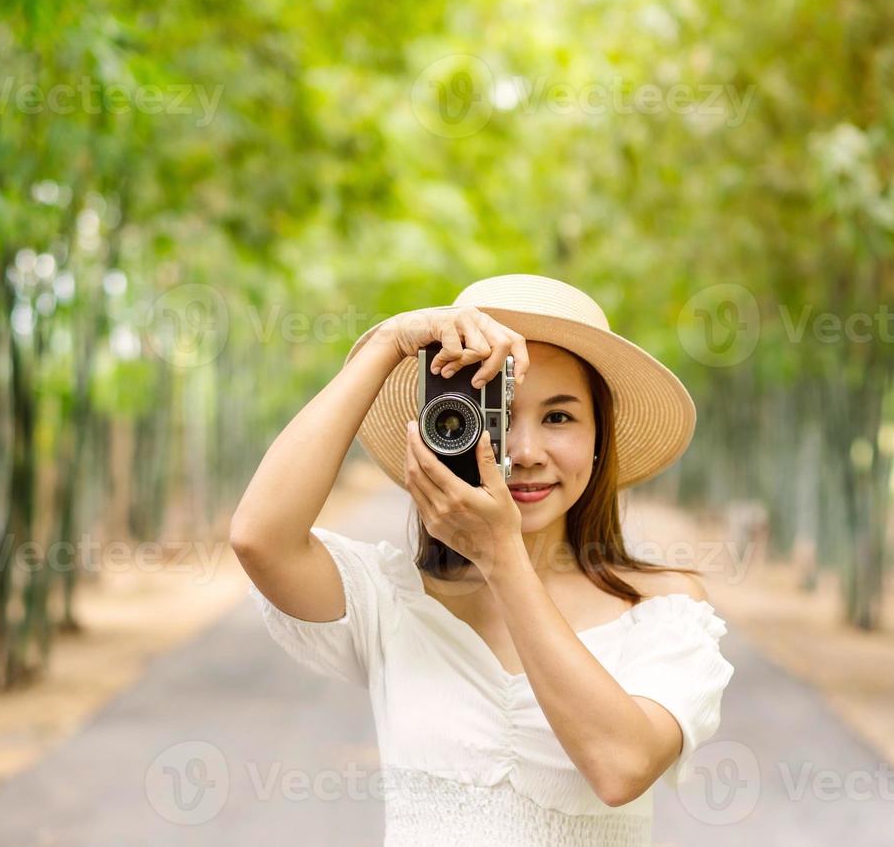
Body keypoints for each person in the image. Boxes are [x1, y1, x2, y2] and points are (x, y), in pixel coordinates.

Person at [230, 273, 735, 846]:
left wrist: (502, 559)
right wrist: (387, 344)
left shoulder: (663, 607)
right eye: (495, 416)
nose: (521, 453)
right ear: (444, 428)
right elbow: (259, 538)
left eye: (559, 417)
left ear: (601, 439)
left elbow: (621, 766)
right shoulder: (393, 600)